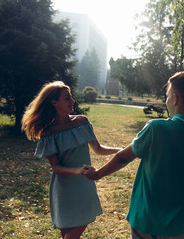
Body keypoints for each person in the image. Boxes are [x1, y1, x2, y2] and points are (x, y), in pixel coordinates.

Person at [84, 72, 184, 239]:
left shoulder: (156, 128)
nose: (166, 101)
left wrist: (97, 174)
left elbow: (124, 156)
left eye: (167, 96)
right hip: (179, 220)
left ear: (175, 98)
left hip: (147, 217)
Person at [21, 81, 121, 239]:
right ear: (54, 103)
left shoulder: (82, 122)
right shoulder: (48, 133)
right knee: (67, 235)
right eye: (67, 98)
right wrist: (77, 170)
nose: (72, 101)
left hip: (84, 186)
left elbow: (99, 149)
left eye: (71, 97)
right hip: (63, 189)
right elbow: (56, 167)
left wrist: (122, 150)